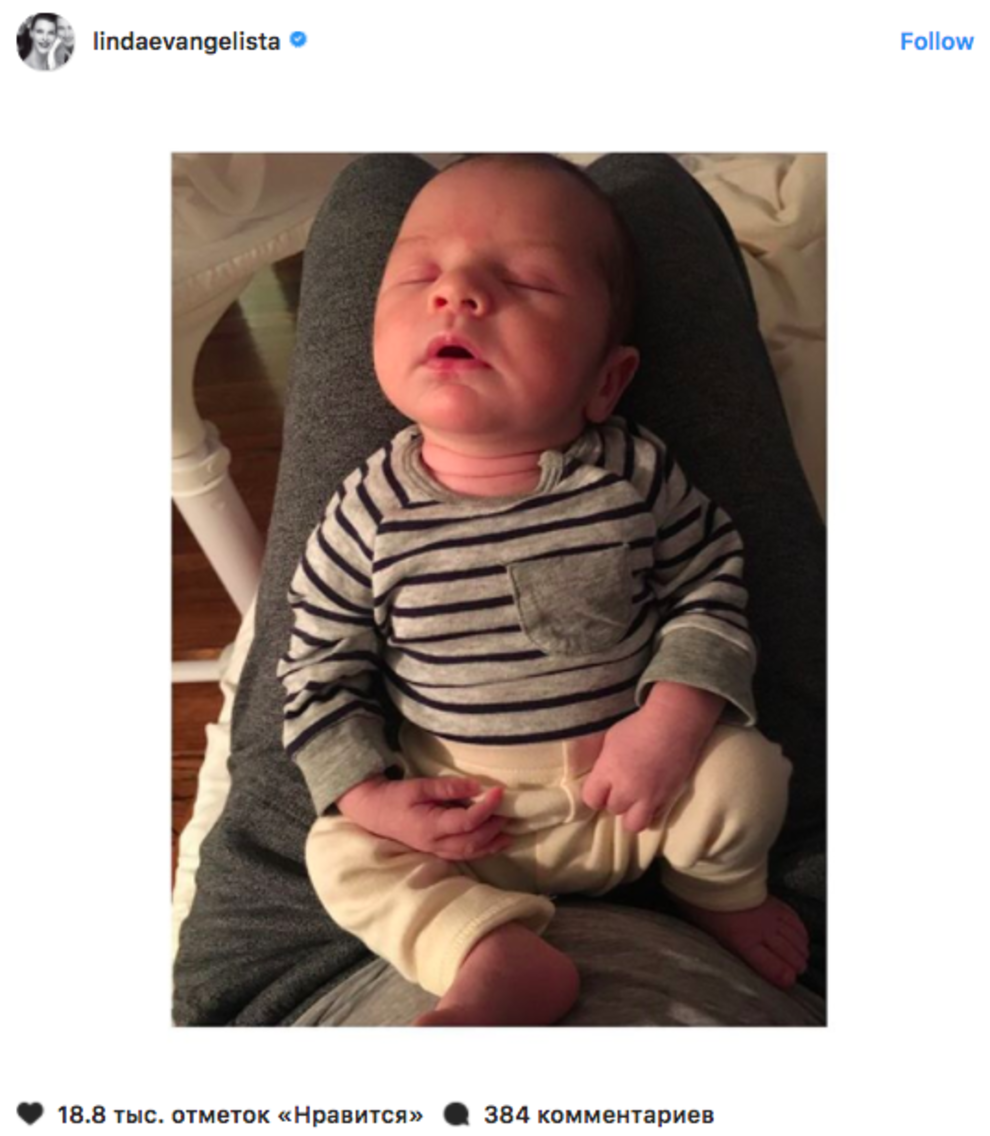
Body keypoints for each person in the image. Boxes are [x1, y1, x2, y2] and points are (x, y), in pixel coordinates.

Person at [278, 154, 810, 1026]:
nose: (454, 293)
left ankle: (715, 890)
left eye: (524, 280)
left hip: (636, 795)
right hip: (461, 825)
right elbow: (315, 669)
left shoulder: (633, 474)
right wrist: (371, 797)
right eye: (418, 273)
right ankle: (484, 950)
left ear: (608, 380)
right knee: (335, 852)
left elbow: (712, 582)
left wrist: (674, 718)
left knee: (747, 773)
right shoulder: (363, 512)